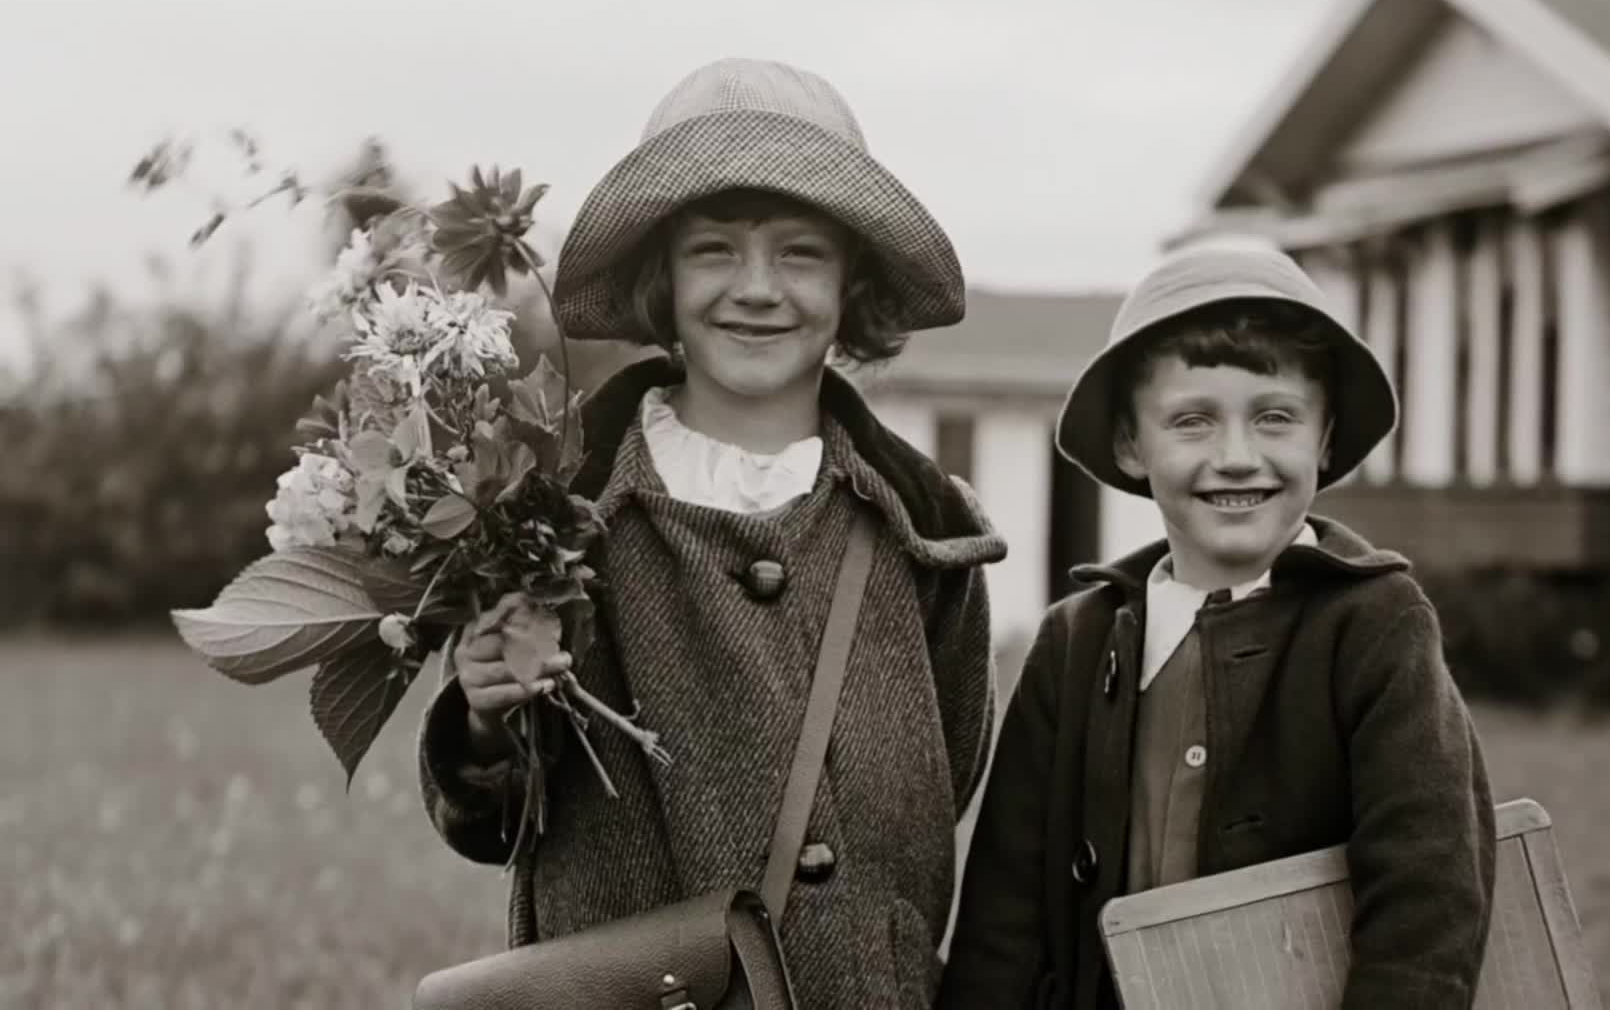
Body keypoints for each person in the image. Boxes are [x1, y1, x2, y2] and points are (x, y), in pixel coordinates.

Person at [415, 57, 1006, 1009]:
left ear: (853, 282)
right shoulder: (557, 513)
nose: (758, 288)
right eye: (715, 250)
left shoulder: (930, 539)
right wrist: (485, 711)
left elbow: (950, 781)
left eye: (801, 252)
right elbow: (490, 820)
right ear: (661, 276)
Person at [939, 246, 1496, 1009]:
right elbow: (1001, 922)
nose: (1237, 458)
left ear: (1325, 435)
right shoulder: (1074, 644)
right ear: (1133, 444)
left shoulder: (1376, 625)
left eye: (1275, 417)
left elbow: (1427, 901)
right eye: (1192, 422)